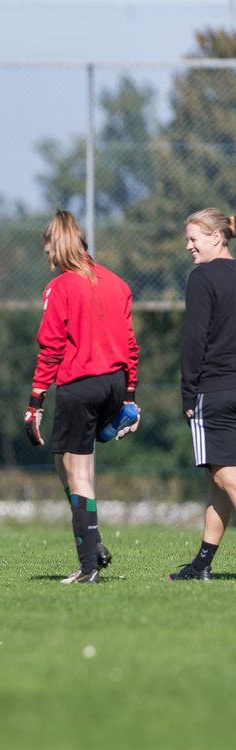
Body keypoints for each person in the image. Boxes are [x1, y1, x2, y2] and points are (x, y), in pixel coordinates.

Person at [23, 210, 138, 585]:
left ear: (57, 247)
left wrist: (34, 405)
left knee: (79, 475)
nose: (48, 258)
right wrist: (130, 397)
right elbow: (131, 345)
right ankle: (94, 540)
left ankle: (89, 567)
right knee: (65, 461)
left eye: (47, 250)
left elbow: (51, 348)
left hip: (80, 386)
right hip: (114, 384)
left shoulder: (60, 287)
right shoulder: (117, 283)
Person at [171, 208, 236, 581]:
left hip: (215, 391)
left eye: (194, 238)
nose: (188, 246)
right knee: (219, 480)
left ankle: (201, 565)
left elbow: (195, 339)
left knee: (226, 475)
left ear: (217, 237)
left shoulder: (202, 278)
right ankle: (201, 564)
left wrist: (187, 393)